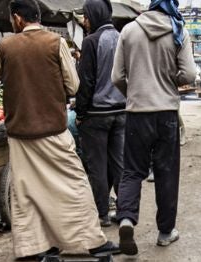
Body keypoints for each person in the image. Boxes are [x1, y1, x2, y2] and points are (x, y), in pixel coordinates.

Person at [0, 0, 117, 258]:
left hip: (19, 132)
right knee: (74, 184)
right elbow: (73, 85)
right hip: (53, 129)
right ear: (36, 17)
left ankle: (32, 247)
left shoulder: (5, 46)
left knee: (27, 191)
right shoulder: (54, 42)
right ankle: (91, 240)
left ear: (18, 19)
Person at [111, 0, 197, 255]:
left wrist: (133, 94)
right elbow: (190, 75)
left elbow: (116, 76)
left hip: (137, 113)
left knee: (132, 171)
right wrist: (171, 79)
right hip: (167, 113)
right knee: (166, 173)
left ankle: (126, 218)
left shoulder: (129, 30)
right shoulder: (178, 29)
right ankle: (165, 231)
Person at [76, 0, 127, 228]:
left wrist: (80, 112)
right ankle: (125, 211)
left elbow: (85, 81)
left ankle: (103, 214)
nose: (84, 22)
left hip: (96, 115)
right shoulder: (123, 37)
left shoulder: (91, 42)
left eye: (86, 17)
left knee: (97, 166)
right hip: (121, 112)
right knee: (119, 164)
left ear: (94, 16)